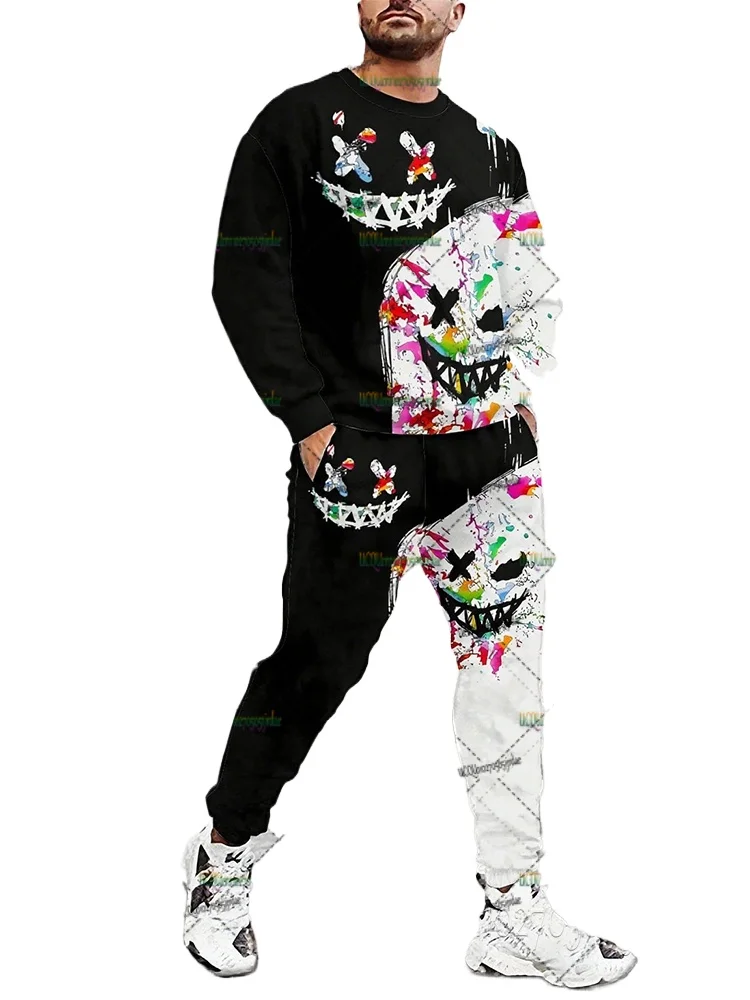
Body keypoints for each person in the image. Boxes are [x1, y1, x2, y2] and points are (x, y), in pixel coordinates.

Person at [182, 0, 637, 986]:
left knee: (507, 682)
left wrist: (518, 401)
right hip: (361, 462)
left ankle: (512, 908)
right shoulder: (297, 125)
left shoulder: (491, 148)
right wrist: (310, 424)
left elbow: (517, 281)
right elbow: (245, 278)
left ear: (459, 10)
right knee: (317, 664)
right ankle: (223, 852)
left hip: (490, 462)